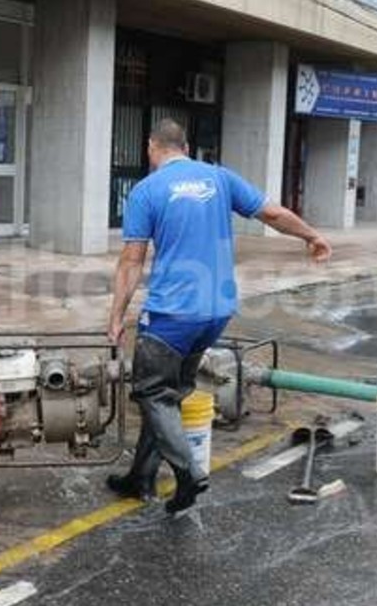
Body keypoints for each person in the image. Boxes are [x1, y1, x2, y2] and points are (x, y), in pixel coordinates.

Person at [105, 119, 332, 515]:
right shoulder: (219, 178)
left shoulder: (147, 190)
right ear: (187, 146)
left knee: (152, 392)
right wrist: (311, 235)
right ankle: (139, 478)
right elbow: (274, 213)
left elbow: (132, 260)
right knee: (168, 395)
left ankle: (188, 471)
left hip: (171, 314)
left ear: (150, 147)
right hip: (216, 313)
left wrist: (116, 314)